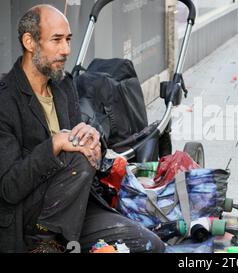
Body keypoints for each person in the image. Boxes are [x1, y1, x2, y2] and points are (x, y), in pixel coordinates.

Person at [0, 4, 165, 253]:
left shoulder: (64, 86)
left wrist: (94, 140)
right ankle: (46, 242)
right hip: (28, 218)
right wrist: (55, 145)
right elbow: (9, 189)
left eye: (68, 39)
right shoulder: (5, 99)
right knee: (76, 158)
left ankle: (60, 242)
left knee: (150, 245)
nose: (66, 49)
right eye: (56, 40)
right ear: (29, 42)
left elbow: (87, 154)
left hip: (75, 209)